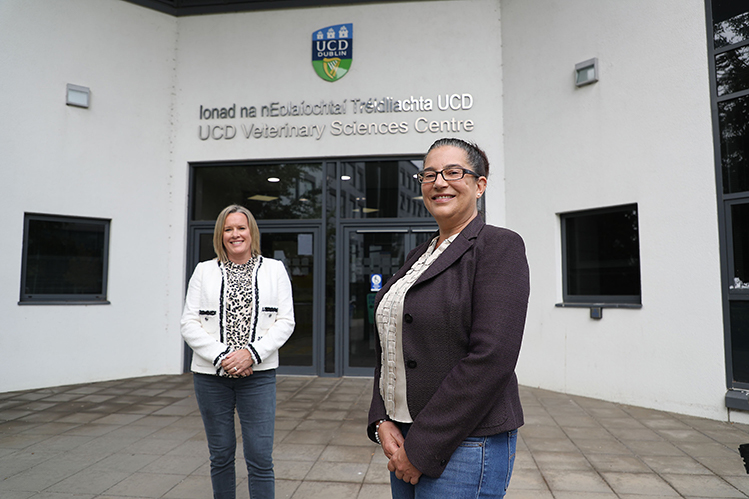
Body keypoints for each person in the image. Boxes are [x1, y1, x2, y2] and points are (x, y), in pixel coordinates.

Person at [367, 138, 530, 498]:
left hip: (465, 442)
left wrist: (422, 445)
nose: (439, 182)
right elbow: (390, 340)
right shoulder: (419, 254)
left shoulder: (498, 246)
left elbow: (492, 357)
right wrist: (381, 418)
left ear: (480, 185)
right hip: (403, 434)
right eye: (429, 174)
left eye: (453, 172)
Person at [181, 204, 294, 499]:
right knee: (220, 455)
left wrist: (251, 355)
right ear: (221, 235)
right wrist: (224, 357)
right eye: (228, 229)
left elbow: (286, 321)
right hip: (210, 378)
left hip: (258, 377)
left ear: (251, 232)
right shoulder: (203, 271)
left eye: (241, 228)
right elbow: (189, 323)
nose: (235, 234)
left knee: (260, 458)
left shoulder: (274, 269)